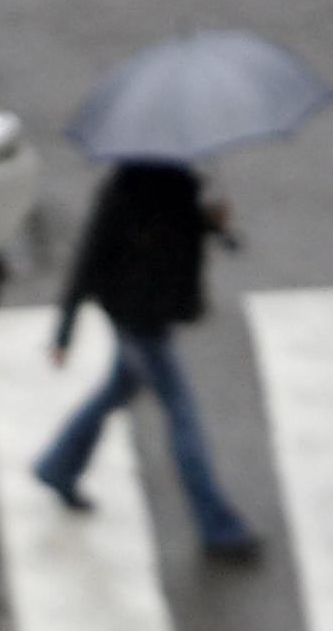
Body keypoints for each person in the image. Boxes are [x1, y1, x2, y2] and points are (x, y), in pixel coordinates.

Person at [33, 159, 261, 563]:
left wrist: (219, 226)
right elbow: (87, 261)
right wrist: (64, 332)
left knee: (118, 388)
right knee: (182, 415)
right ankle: (216, 526)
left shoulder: (177, 184)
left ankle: (58, 467)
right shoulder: (128, 192)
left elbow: (190, 232)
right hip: (139, 323)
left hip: (148, 317)